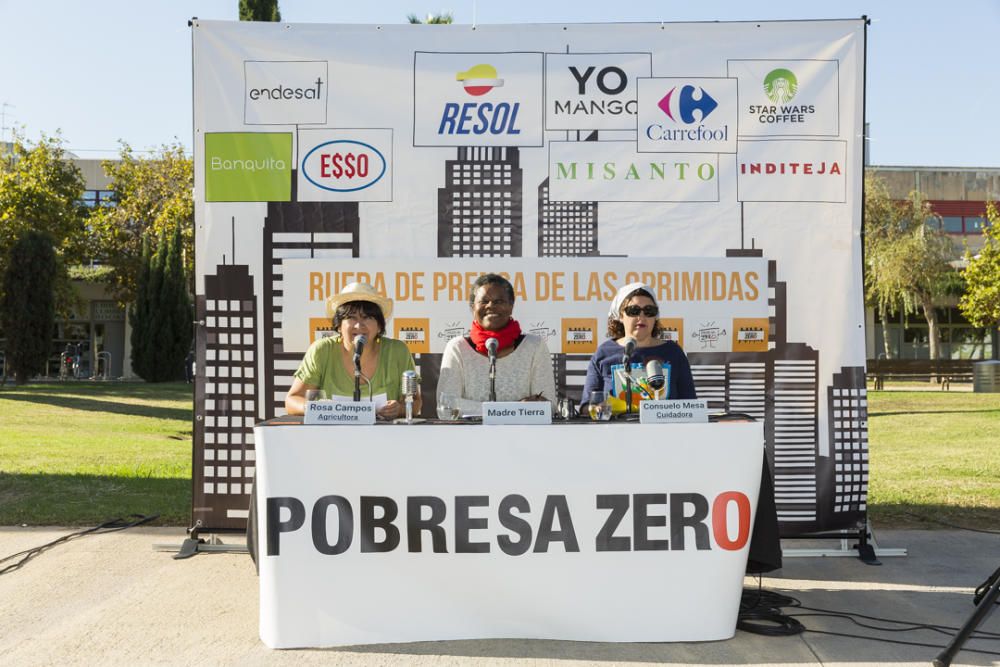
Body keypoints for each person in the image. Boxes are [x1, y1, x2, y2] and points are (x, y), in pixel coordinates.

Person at [285, 282, 420, 419]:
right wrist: (320, 408)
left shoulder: (397, 351)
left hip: (385, 437)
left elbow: (415, 403)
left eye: (367, 317)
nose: (358, 325)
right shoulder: (321, 350)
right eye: (351, 317)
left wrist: (400, 410)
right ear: (338, 326)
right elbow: (292, 400)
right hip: (331, 437)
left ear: (379, 326)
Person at [438, 273, 556, 416]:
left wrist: (475, 408)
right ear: (472, 308)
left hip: (523, 436)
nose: (491, 306)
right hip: (469, 437)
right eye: (484, 301)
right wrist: (513, 409)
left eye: (499, 301)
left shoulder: (534, 346)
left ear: (511, 306)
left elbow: (548, 406)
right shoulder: (457, 348)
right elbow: (446, 408)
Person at [581, 282, 696, 406]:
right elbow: (587, 405)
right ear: (620, 316)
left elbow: (690, 404)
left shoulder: (673, 352)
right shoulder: (604, 352)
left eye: (649, 311)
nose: (641, 316)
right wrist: (599, 408)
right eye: (633, 311)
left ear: (655, 317)